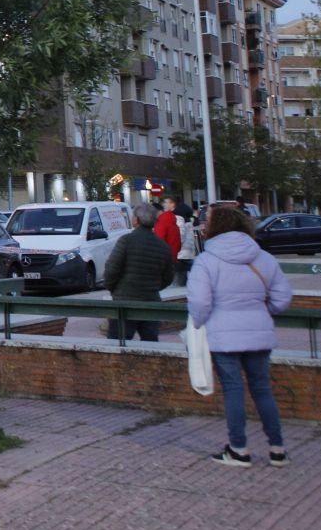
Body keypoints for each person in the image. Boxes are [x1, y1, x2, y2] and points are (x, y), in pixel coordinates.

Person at [188, 204, 293, 467]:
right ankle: (277, 449)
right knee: (262, 389)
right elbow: (283, 299)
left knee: (233, 391)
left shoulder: (206, 261)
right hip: (259, 332)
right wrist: (262, 311)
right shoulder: (264, 259)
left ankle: (238, 449)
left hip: (223, 336)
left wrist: (200, 324)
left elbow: (199, 304)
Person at [103, 201, 175, 341]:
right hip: (151, 302)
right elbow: (168, 277)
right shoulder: (162, 246)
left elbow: (111, 270)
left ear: (136, 220)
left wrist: (114, 289)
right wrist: (153, 287)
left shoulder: (126, 241)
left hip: (124, 303)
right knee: (150, 344)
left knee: (117, 344)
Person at [154, 196, 183, 262]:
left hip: (163, 260)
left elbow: (158, 241)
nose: (163, 204)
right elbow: (178, 243)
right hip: (173, 257)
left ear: (173, 204)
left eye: (165, 202)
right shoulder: (172, 219)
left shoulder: (162, 221)